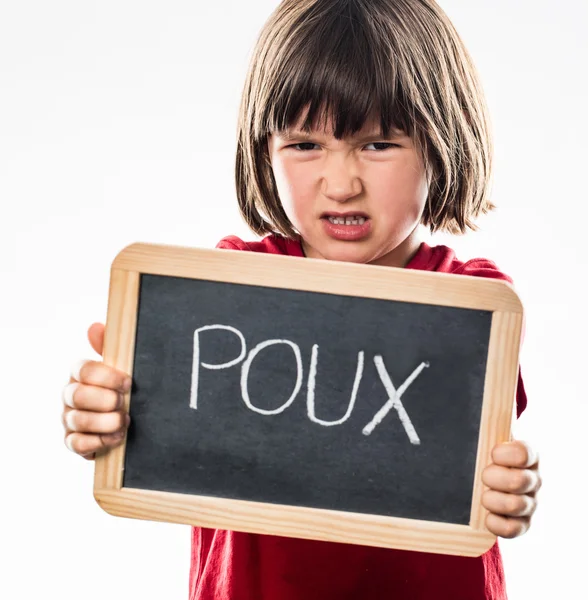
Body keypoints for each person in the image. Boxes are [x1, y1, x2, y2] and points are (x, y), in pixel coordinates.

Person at [61, 0, 542, 598]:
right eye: (305, 145)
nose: (341, 185)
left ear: (440, 142)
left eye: (379, 144)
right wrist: (109, 415)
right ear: (265, 149)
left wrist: (509, 488)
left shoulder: (473, 303)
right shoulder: (229, 290)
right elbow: (162, 425)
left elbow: (485, 452)